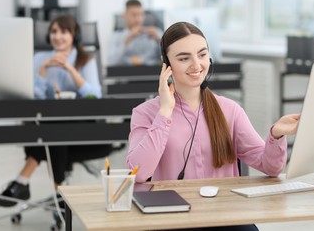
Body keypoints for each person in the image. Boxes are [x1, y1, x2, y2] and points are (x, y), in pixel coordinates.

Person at [126, 22, 300, 231]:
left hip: (224, 215)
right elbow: (138, 173)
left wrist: (276, 134)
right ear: (166, 63)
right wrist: (164, 112)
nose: (196, 64)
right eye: (183, 58)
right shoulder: (145, 113)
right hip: (172, 217)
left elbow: (270, 167)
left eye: (201, 54)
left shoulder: (229, 109)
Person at [0, 15, 112, 207]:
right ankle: (60, 192)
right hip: (51, 126)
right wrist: (42, 70)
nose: (58, 36)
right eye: (54, 31)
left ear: (74, 35)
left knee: (50, 135)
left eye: (64, 32)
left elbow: (94, 97)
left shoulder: (85, 59)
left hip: (84, 129)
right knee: (54, 135)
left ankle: (23, 182)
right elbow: (33, 98)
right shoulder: (40, 58)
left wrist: (70, 69)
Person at [107, 0, 162, 66]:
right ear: (125, 15)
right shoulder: (116, 36)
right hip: (126, 73)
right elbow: (112, 62)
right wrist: (127, 39)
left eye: (141, 14)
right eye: (134, 15)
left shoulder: (156, 33)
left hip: (151, 72)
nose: (138, 19)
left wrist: (159, 41)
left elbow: (167, 59)